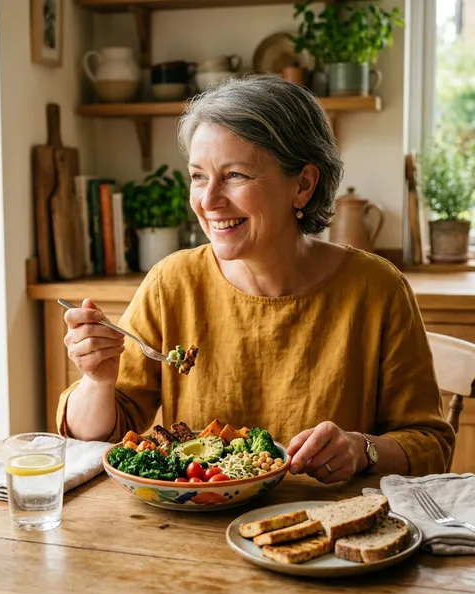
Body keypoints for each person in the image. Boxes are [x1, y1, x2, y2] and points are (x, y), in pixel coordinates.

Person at [58, 75, 454, 483]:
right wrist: (97, 381)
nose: (208, 201)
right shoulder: (172, 283)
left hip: (324, 529)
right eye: (198, 176)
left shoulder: (376, 289)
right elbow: (94, 435)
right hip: (196, 527)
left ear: (302, 185)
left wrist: (363, 449)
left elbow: (431, 446)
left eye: (234, 176)